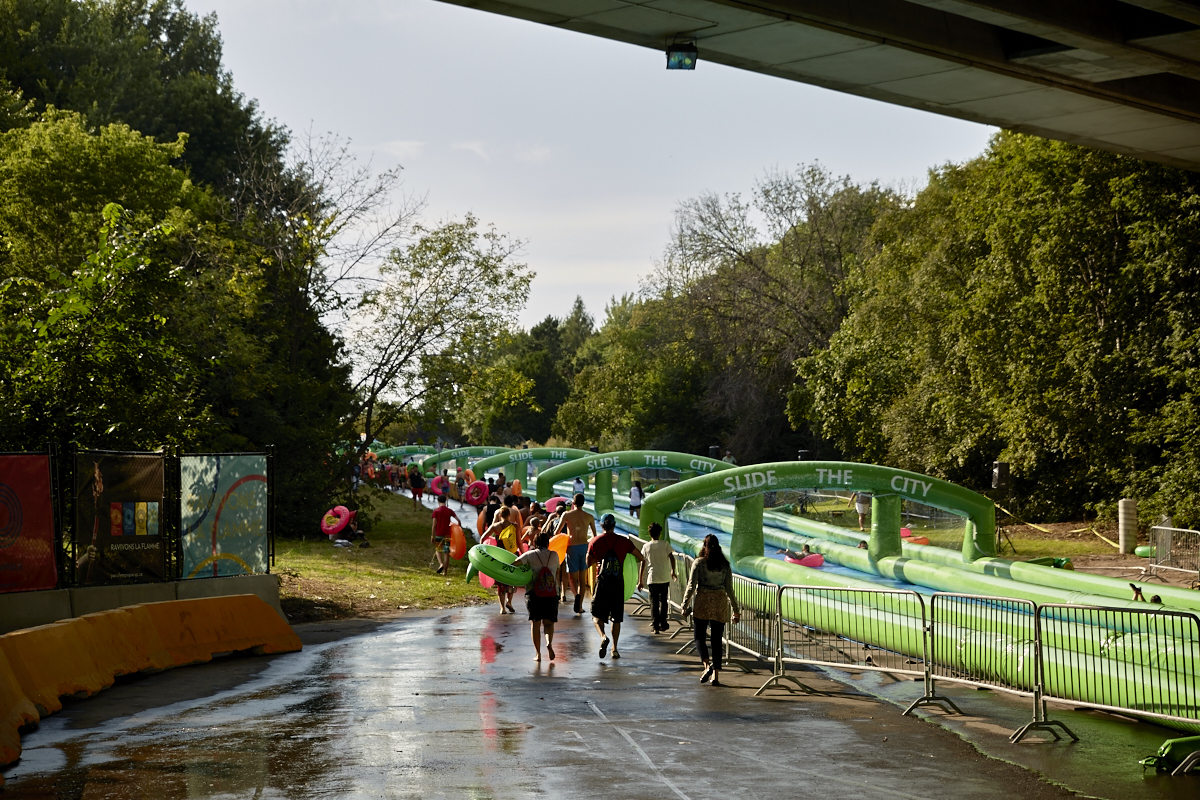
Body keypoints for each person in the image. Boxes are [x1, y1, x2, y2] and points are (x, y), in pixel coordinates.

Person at [682, 534, 740, 686]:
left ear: (704, 546)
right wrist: (736, 610)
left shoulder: (699, 563)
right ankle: (716, 676)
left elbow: (691, 586)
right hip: (720, 602)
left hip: (703, 601)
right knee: (716, 640)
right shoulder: (725, 565)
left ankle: (707, 666)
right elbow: (730, 589)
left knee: (699, 636)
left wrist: (684, 605)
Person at [586, 514, 645, 659]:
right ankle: (615, 648)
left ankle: (603, 636)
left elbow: (588, 563)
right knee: (616, 618)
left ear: (601, 525)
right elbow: (641, 557)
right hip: (618, 582)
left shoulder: (595, 541)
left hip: (602, 581)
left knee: (596, 614)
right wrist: (629, 562)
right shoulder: (624, 541)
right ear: (614, 524)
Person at [516, 531, 560, 662]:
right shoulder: (554, 555)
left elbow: (515, 563)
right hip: (552, 593)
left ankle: (538, 654)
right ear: (548, 543)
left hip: (534, 593)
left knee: (536, 623)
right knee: (549, 622)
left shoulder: (530, 555)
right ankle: (549, 643)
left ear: (535, 543)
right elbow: (557, 571)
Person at [560, 493, 597, 614]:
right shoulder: (589, 516)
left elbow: (557, 531)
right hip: (584, 547)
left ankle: (575, 595)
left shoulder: (566, 515)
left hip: (572, 547)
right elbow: (594, 536)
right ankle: (580, 606)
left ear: (573, 503)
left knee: (572, 578)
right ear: (583, 503)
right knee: (582, 578)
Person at [638, 522, 676, 633]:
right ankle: (663, 623)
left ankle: (655, 626)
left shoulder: (646, 546)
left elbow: (643, 563)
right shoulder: (665, 544)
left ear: (650, 534)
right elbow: (672, 557)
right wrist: (673, 570)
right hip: (664, 577)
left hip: (652, 578)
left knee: (654, 603)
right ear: (660, 533)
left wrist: (640, 580)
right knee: (664, 601)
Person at [484, 507, 520, 613]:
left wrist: (484, 553)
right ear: (509, 515)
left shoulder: (495, 526)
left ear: (500, 516)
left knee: (500, 581)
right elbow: (518, 542)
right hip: (512, 555)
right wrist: (523, 553)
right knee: (511, 578)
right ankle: (509, 601)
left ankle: (502, 608)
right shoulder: (515, 526)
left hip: (500, 557)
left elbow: (483, 538)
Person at [430, 494, 461, 575]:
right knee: (446, 553)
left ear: (438, 501)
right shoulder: (449, 511)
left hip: (439, 534)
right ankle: (445, 572)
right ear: (445, 501)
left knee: (438, 550)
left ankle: (441, 564)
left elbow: (434, 525)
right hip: (447, 534)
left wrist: (432, 536)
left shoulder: (436, 511)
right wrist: (458, 531)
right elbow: (458, 521)